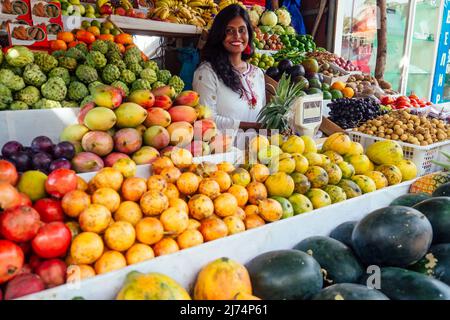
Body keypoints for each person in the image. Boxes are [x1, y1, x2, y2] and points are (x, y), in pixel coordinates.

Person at [193, 4, 266, 133]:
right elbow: (207, 119)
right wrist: (253, 126)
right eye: (229, 30)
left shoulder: (257, 73)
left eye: (242, 30)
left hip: (257, 149)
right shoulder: (207, 73)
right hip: (223, 150)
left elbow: (264, 115)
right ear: (219, 35)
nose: (237, 36)